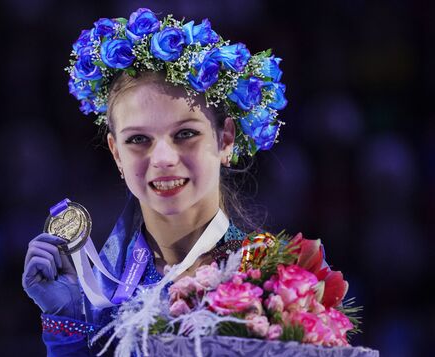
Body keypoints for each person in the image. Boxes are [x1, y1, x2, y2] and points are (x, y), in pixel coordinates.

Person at [22, 8, 287, 356]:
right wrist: (68, 324)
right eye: (138, 140)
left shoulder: (281, 279)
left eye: (185, 134)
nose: (162, 159)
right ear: (117, 154)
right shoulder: (95, 295)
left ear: (225, 140)